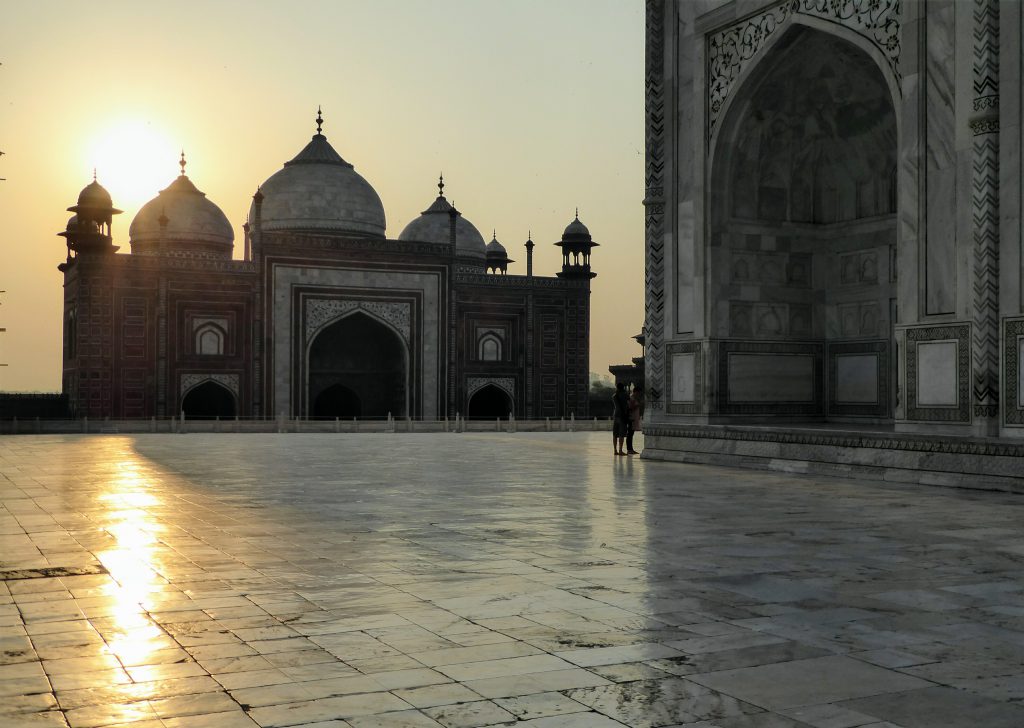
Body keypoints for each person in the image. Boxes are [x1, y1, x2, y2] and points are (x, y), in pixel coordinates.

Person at [612, 382, 630, 456]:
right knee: (621, 434)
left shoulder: (614, 395)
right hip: (622, 415)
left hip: (616, 415)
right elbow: (629, 402)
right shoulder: (625, 395)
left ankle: (615, 450)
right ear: (623, 387)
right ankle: (620, 450)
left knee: (615, 434)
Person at [626, 385, 643, 455]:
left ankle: (630, 449)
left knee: (631, 434)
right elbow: (630, 408)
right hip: (631, 418)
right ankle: (629, 449)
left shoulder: (634, 398)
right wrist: (637, 405)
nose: (639, 394)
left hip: (634, 418)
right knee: (629, 434)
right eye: (638, 393)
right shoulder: (631, 398)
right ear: (635, 392)